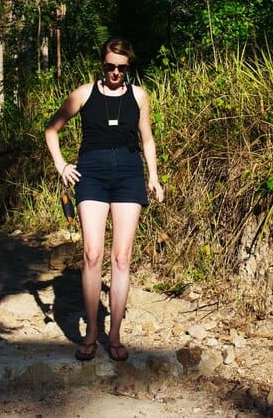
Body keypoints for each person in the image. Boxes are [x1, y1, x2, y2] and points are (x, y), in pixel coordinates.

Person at [45, 37, 165, 362]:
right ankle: (91, 332)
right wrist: (61, 165)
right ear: (103, 64)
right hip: (92, 175)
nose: (115, 73)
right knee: (92, 255)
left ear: (129, 68)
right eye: (110, 66)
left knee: (122, 258)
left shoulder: (139, 96)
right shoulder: (84, 94)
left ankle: (114, 336)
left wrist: (153, 177)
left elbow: (148, 138)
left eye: (121, 68)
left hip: (128, 173)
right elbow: (51, 129)